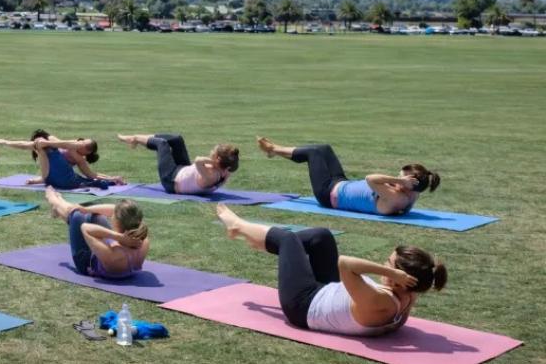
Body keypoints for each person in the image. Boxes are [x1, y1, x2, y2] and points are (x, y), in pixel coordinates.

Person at [215, 203, 447, 336]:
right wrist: (396, 274)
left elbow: (344, 264)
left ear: (398, 277)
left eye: (388, 262)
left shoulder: (381, 302)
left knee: (287, 239)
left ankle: (239, 226)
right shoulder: (407, 294)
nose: (384, 265)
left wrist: (391, 273)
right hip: (328, 292)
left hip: (303, 305)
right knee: (321, 237)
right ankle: (265, 242)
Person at [256, 137, 441, 216]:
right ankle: (274, 151)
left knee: (313, 153)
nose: (397, 177)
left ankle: (273, 149)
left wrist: (400, 181)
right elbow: (416, 190)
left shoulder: (396, 197)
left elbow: (370, 178)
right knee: (324, 148)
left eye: (401, 177)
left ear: (408, 184)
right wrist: (407, 183)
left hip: (328, 194)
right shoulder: (411, 194)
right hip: (341, 183)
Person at [44, 187, 149, 279]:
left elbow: (85, 228)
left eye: (113, 216)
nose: (111, 216)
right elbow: (116, 210)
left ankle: (53, 200)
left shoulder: (116, 256)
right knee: (95, 215)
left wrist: (119, 237)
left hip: (86, 263)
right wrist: (85, 209)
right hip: (109, 250)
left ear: (117, 221)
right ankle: (59, 203)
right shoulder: (142, 239)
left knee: (77, 216)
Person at [0, 130, 124, 189]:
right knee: (43, 147)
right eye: (82, 141)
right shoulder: (68, 145)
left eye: (84, 144)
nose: (80, 143)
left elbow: (92, 174)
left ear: (87, 152)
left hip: (58, 177)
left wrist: (111, 178)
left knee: (43, 147)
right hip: (53, 176)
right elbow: (24, 145)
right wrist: (5, 142)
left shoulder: (78, 157)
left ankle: (41, 177)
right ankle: (41, 177)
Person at [116, 133, 239, 195]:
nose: (211, 151)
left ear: (217, 159)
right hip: (183, 170)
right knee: (177, 139)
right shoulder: (226, 172)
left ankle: (135, 138)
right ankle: (137, 138)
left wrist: (214, 163)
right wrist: (217, 163)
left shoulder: (211, 176)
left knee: (162, 144)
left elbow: (198, 160)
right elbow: (231, 164)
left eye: (213, 151)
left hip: (171, 180)